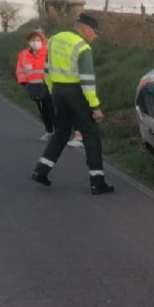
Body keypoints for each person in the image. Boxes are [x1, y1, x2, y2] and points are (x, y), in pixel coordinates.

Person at [29, 13, 114, 195]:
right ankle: (97, 182)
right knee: (91, 134)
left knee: (61, 133)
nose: (95, 36)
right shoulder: (82, 47)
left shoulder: (53, 40)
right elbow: (87, 80)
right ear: (85, 28)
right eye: (95, 32)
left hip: (58, 91)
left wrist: (53, 92)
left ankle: (40, 171)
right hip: (76, 93)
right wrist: (95, 106)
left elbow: (46, 70)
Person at [16, 30, 55, 140]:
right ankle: (49, 131)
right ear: (29, 42)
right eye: (33, 40)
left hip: (48, 86)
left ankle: (58, 132)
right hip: (34, 88)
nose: (35, 42)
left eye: (37, 40)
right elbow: (20, 69)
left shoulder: (48, 52)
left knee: (52, 110)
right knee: (43, 111)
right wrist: (24, 82)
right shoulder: (23, 55)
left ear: (42, 41)